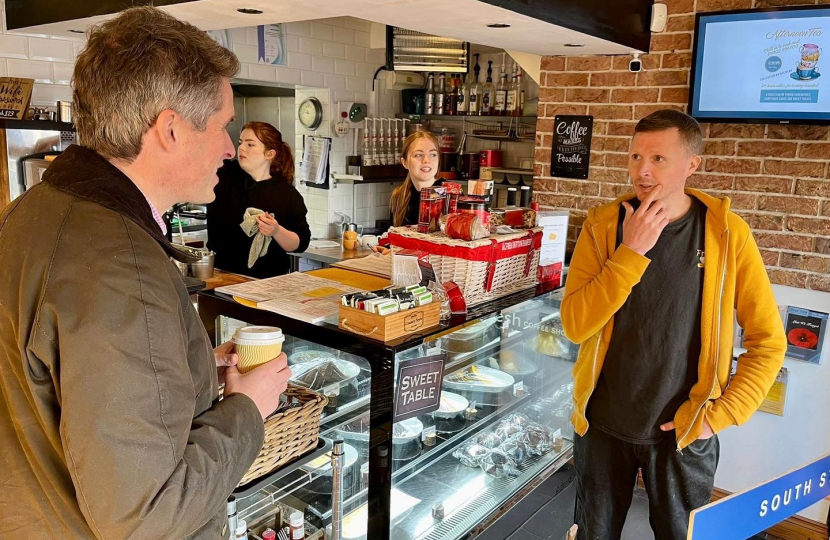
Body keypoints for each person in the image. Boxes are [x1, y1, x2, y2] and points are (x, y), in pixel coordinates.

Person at [0, 7, 293, 539]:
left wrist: (191, 365)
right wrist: (249, 409)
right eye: (223, 124)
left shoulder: (35, 209)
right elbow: (148, 514)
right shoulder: (122, 265)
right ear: (171, 129)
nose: (229, 147)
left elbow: (63, 380)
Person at [561, 109, 786, 540]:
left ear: (692, 164)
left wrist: (719, 416)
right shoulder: (604, 226)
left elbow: (768, 342)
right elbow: (575, 325)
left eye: (658, 159)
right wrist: (630, 253)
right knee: (593, 533)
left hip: (684, 433)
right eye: (634, 157)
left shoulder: (727, 234)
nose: (642, 171)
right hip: (602, 425)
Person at [207, 121, 311, 278]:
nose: (241, 148)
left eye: (250, 145)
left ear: (269, 154)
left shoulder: (288, 195)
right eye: (241, 143)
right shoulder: (224, 175)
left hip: (268, 283)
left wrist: (276, 231)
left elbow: (300, 243)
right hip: (221, 277)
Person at [390, 131, 442, 227]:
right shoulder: (399, 196)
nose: (426, 160)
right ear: (405, 162)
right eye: (418, 155)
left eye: (433, 154)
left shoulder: (448, 192)